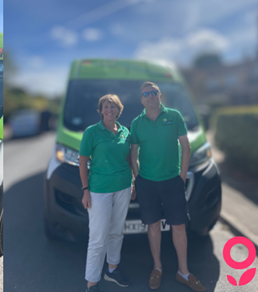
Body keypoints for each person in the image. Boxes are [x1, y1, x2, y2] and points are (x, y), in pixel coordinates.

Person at [130, 82, 206, 292]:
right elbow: (133, 153)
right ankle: (157, 268)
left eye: (154, 93)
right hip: (147, 182)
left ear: (160, 96)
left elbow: (186, 146)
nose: (150, 96)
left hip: (172, 180)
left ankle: (183, 272)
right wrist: (137, 178)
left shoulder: (174, 116)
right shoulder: (136, 123)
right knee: (153, 226)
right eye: (146, 94)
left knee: (179, 226)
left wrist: (181, 177)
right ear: (142, 99)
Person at [79, 94, 135, 292]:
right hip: (99, 190)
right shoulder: (92, 132)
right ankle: (92, 282)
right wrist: (85, 190)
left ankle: (112, 270)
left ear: (119, 110)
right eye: (106, 106)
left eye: (113, 106)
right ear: (101, 110)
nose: (109, 110)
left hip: (123, 187)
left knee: (116, 232)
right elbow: (83, 161)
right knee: (98, 237)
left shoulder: (125, 132)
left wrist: (133, 183)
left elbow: (129, 159)